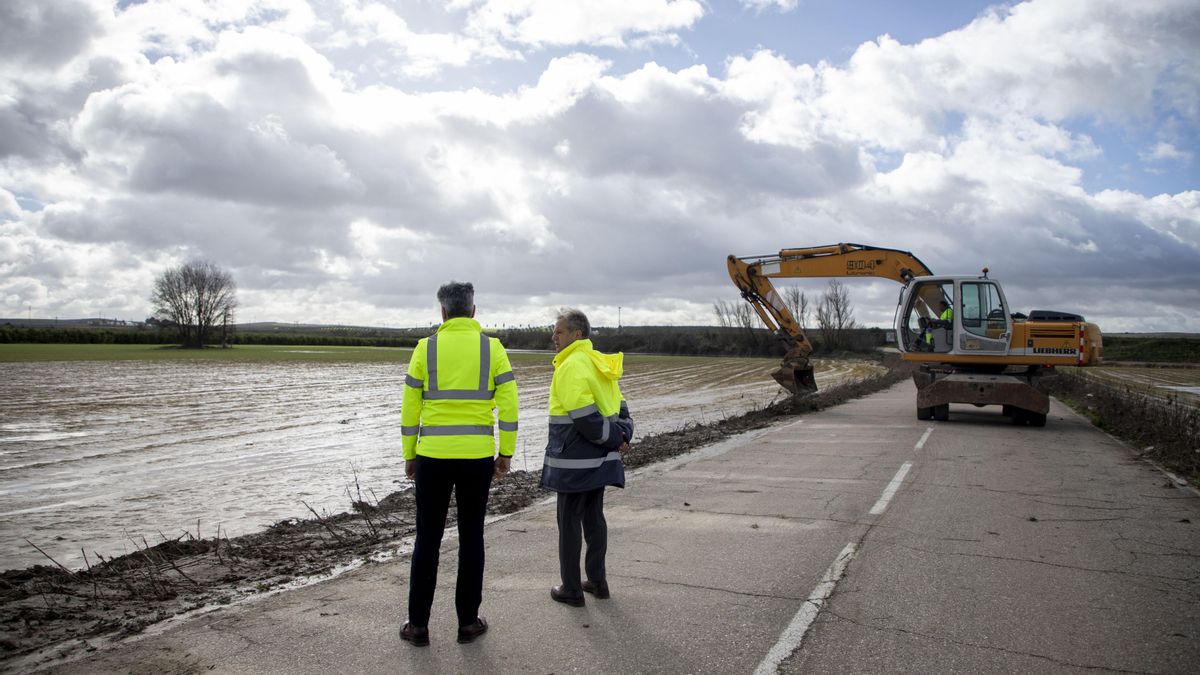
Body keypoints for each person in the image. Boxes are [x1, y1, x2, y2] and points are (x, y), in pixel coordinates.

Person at [399, 281, 518, 647]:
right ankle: (467, 623)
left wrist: (410, 454)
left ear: (443, 313)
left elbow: (410, 407)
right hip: (476, 457)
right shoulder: (493, 348)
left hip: (432, 456)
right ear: (473, 311)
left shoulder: (425, 348)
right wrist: (506, 453)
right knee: (471, 537)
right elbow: (509, 406)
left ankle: (418, 626)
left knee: (428, 539)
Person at [540, 308, 633, 607]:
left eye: (559, 331)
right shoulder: (598, 361)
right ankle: (597, 581)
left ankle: (571, 589)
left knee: (569, 524)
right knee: (594, 520)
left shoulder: (571, 365)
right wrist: (622, 436)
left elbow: (585, 418)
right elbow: (621, 407)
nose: (553, 337)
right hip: (601, 460)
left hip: (574, 463)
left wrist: (614, 438)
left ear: (576, 334)